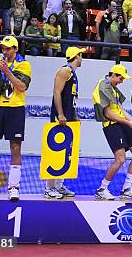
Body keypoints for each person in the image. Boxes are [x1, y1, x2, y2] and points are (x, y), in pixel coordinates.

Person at [0, 36, 32, 202]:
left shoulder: (24, 65)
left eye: (8, 48)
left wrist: (6, 71)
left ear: (15, 49)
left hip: (16, 109)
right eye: (3, 48)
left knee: (15, 148)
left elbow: (22, 86)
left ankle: (14, 187)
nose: (4, 51)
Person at [93, 64, 132, 200]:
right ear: (113, 75)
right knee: (120, 159)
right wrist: (128, 123)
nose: (122, 82)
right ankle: (102, 189)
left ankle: (127, 188)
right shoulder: (103, 86)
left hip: (122, 123)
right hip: (112, 125)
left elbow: (121, 110)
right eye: (120, 78)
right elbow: (108, 113)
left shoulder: (114, 89)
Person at [45, 47, 85, 199]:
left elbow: (71, 100)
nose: (82, 58)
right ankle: (49, 187)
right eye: (80, 55)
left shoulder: (72, 74)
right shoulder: (65, 71)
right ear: (76, 57)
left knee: (66, 153)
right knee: (55, 152)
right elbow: (56, 92)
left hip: (68, 116)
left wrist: (75, 116)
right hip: (59, 117)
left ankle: (59, 186)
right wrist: (60, 114)